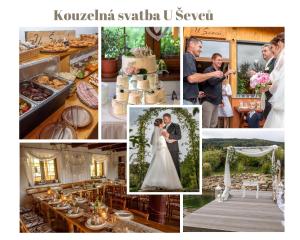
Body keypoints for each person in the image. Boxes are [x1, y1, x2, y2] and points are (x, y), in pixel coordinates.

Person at [141, 118, 182, 191]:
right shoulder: (163, 130)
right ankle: (164, 183)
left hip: (158, 151)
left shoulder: (154, 132)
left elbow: (151, 142)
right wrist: (175, 139)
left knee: (156, 166)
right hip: (164, 150)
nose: (164, 124)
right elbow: (168, 140)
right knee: (165, 166)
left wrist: (158, 142)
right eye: (163, 123)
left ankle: (156, 183)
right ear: (160, 124)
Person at [183, 37, 224, 105]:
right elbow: (191, 78)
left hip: (193, 99)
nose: (201, 50)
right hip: (189, 101)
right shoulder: (188, 56)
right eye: (199, 47)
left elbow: (187, 81)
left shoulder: (190, 58)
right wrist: (213, 74)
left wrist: (196, 93)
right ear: (192, 44)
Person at [201, 53, 234, 128]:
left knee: (213, 125)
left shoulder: (219, 72)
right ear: (213, 60)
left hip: (216, 103)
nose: (220, 61)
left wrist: (221, 99)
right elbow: (213, 82)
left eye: (221, 60)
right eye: (218, 60)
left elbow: (218, 87)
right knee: (205, 125)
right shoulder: (208, 70)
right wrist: (226, 74)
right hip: (208, 102)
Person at [263, 32, 285, 128]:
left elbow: (276, 81)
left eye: (272, 48)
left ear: (279, 44)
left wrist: (264, 86)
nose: (272, 51)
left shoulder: (283, 58)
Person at [250, 44, 276, 118]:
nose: (263, 53)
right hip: (267, 99)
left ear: (272, 51)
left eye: (265, 51)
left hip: (272, 99)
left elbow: (271, 83)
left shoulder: (274, 63)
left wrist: (256, 76)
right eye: (262, 51)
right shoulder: (267, 64)